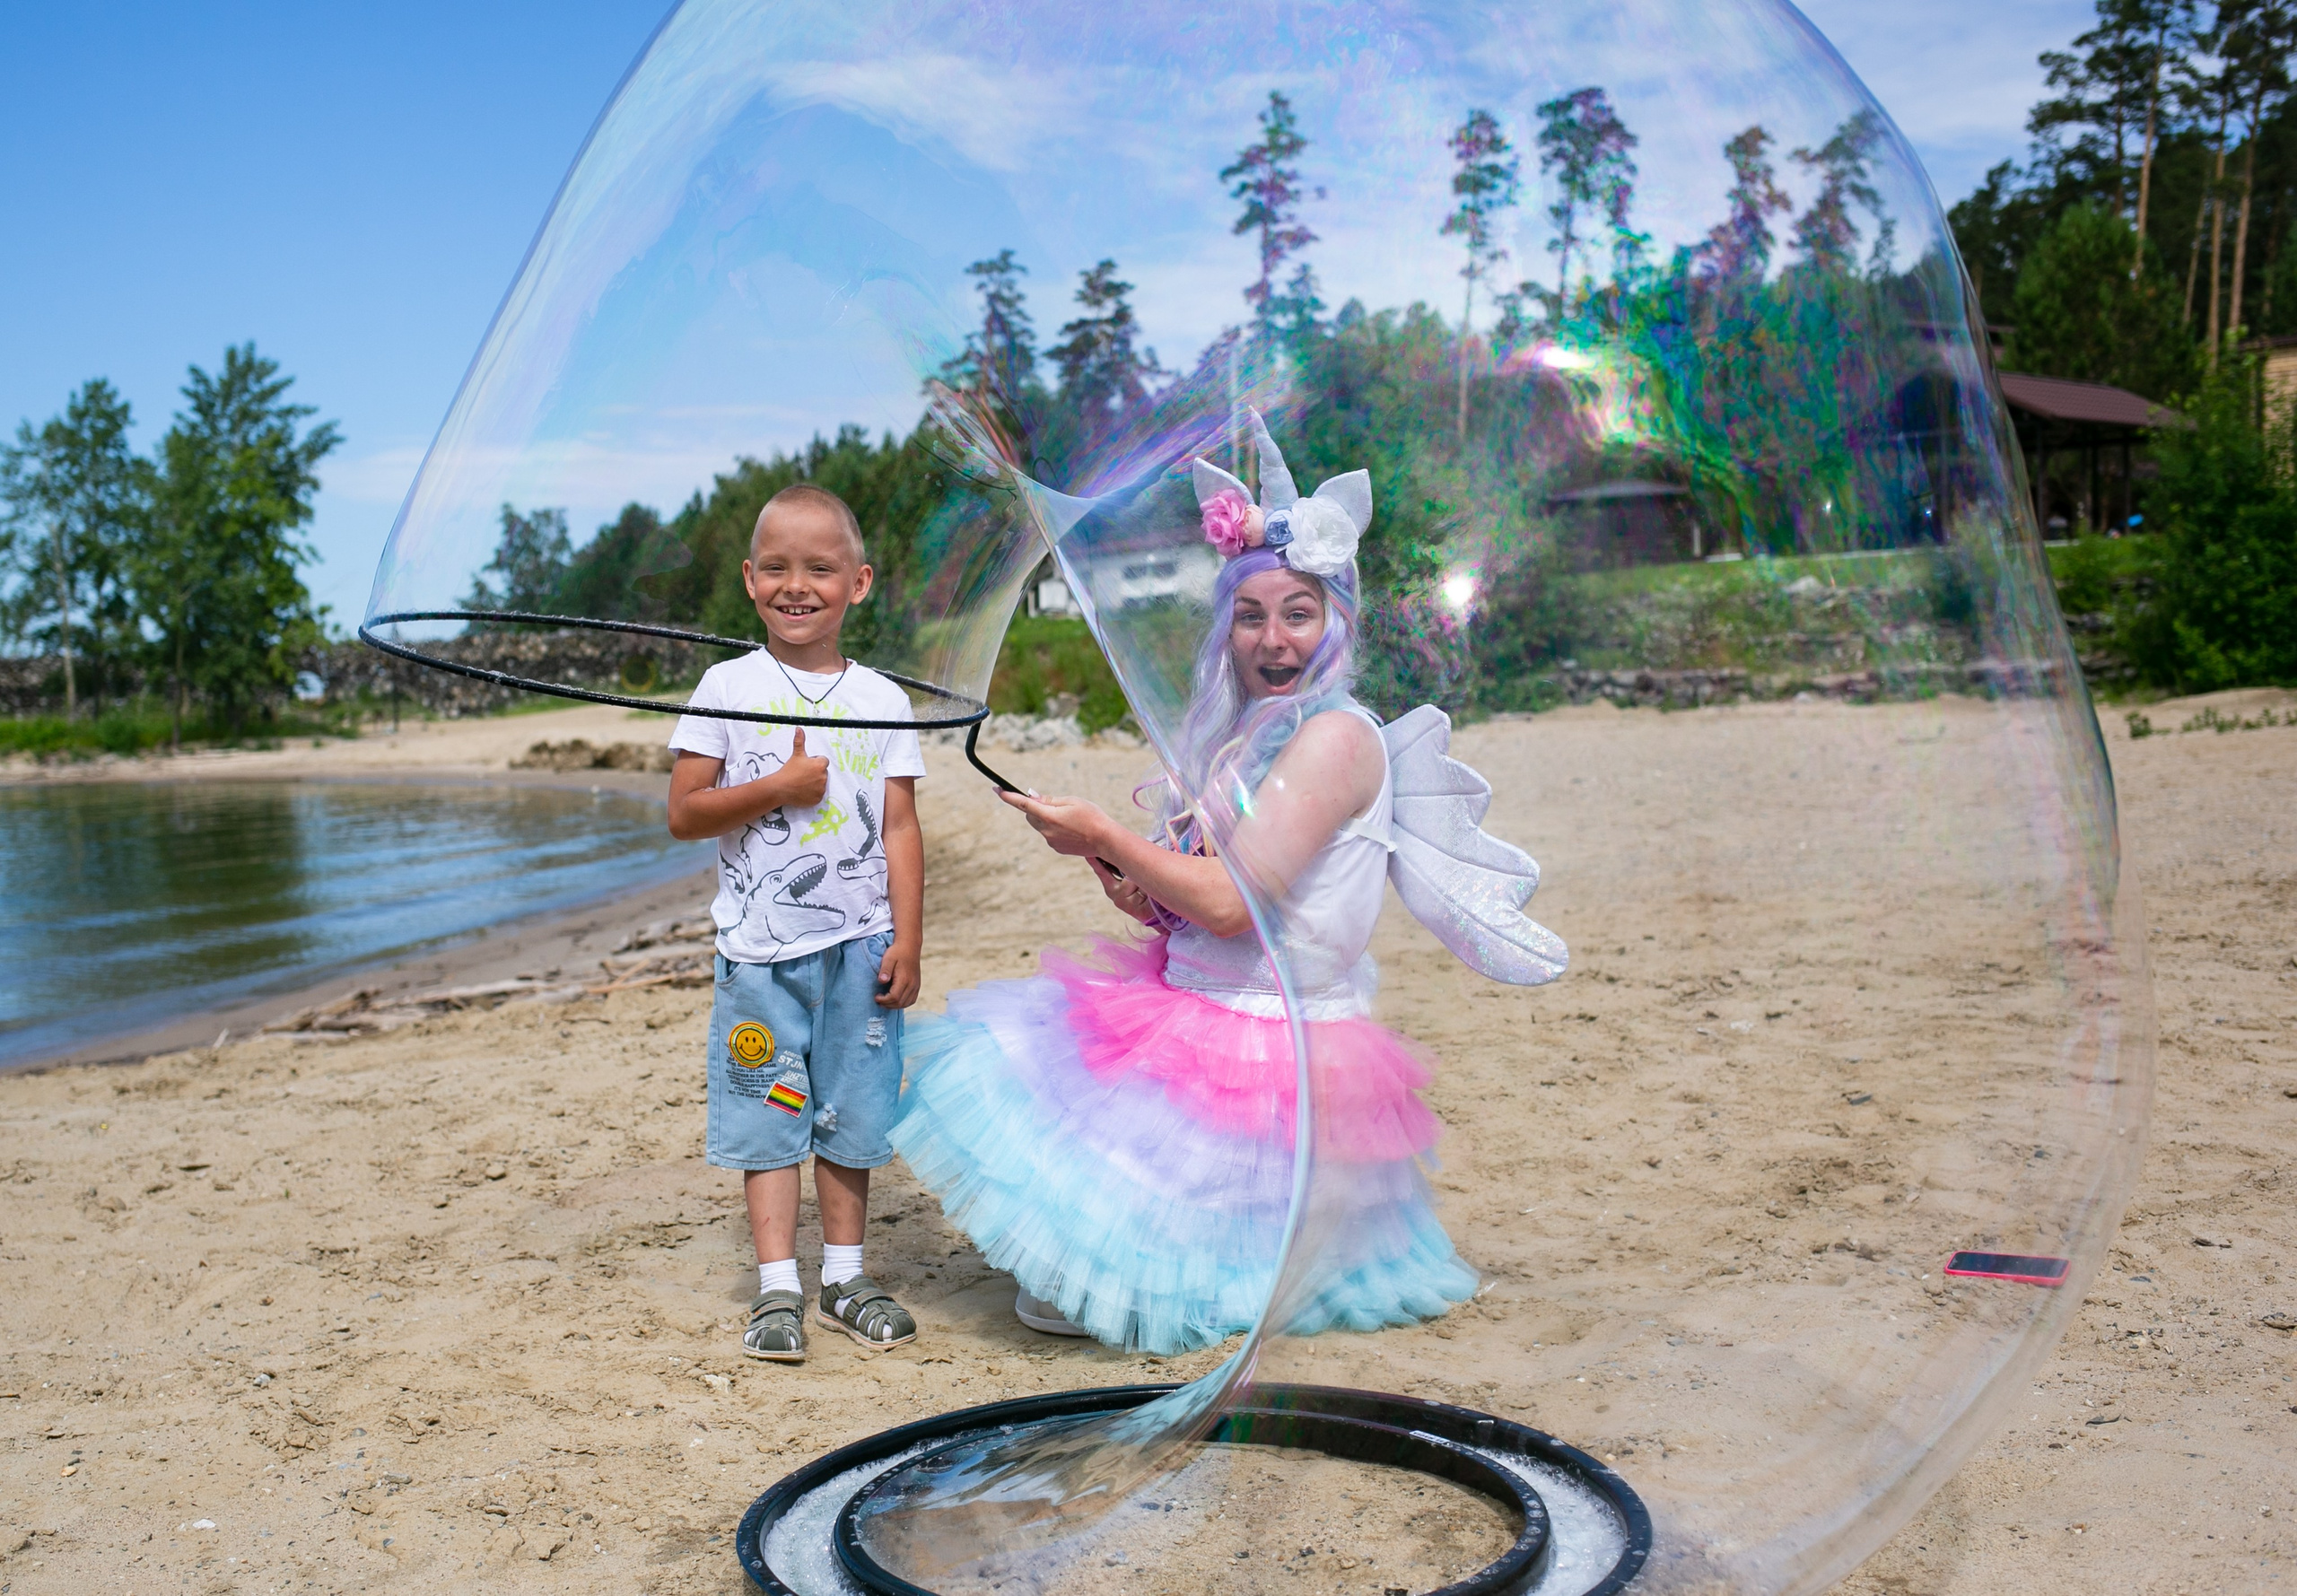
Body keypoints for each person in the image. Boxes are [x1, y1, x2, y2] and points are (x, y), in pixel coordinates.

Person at [889, 413, 1567, 1355]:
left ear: (1337, 623)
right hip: (1203, 993)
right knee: (1059, 1256)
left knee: (1103, 1291)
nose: (1271, 637)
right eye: (1249, 615)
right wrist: (1121, 873)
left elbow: (1230, 903)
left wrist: (1106, 829)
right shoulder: (1245, 737)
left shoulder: (1335, 738)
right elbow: (1188, 907)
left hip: (1271, 1034)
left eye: (1299, 612)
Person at [667, 483, 926, 1363]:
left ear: (858, 583)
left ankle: (844, 1278)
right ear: (748, 580)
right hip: (761, 957)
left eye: (820, 568)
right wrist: (774, 788)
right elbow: (685, 813)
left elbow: (899, 826)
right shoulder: (726, 686)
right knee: (771, 1110)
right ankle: (778, 1286)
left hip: (860, 950)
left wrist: (911, 940)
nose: (796, 585)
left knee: (851, 1113)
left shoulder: (884, 701)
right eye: (775, 567)